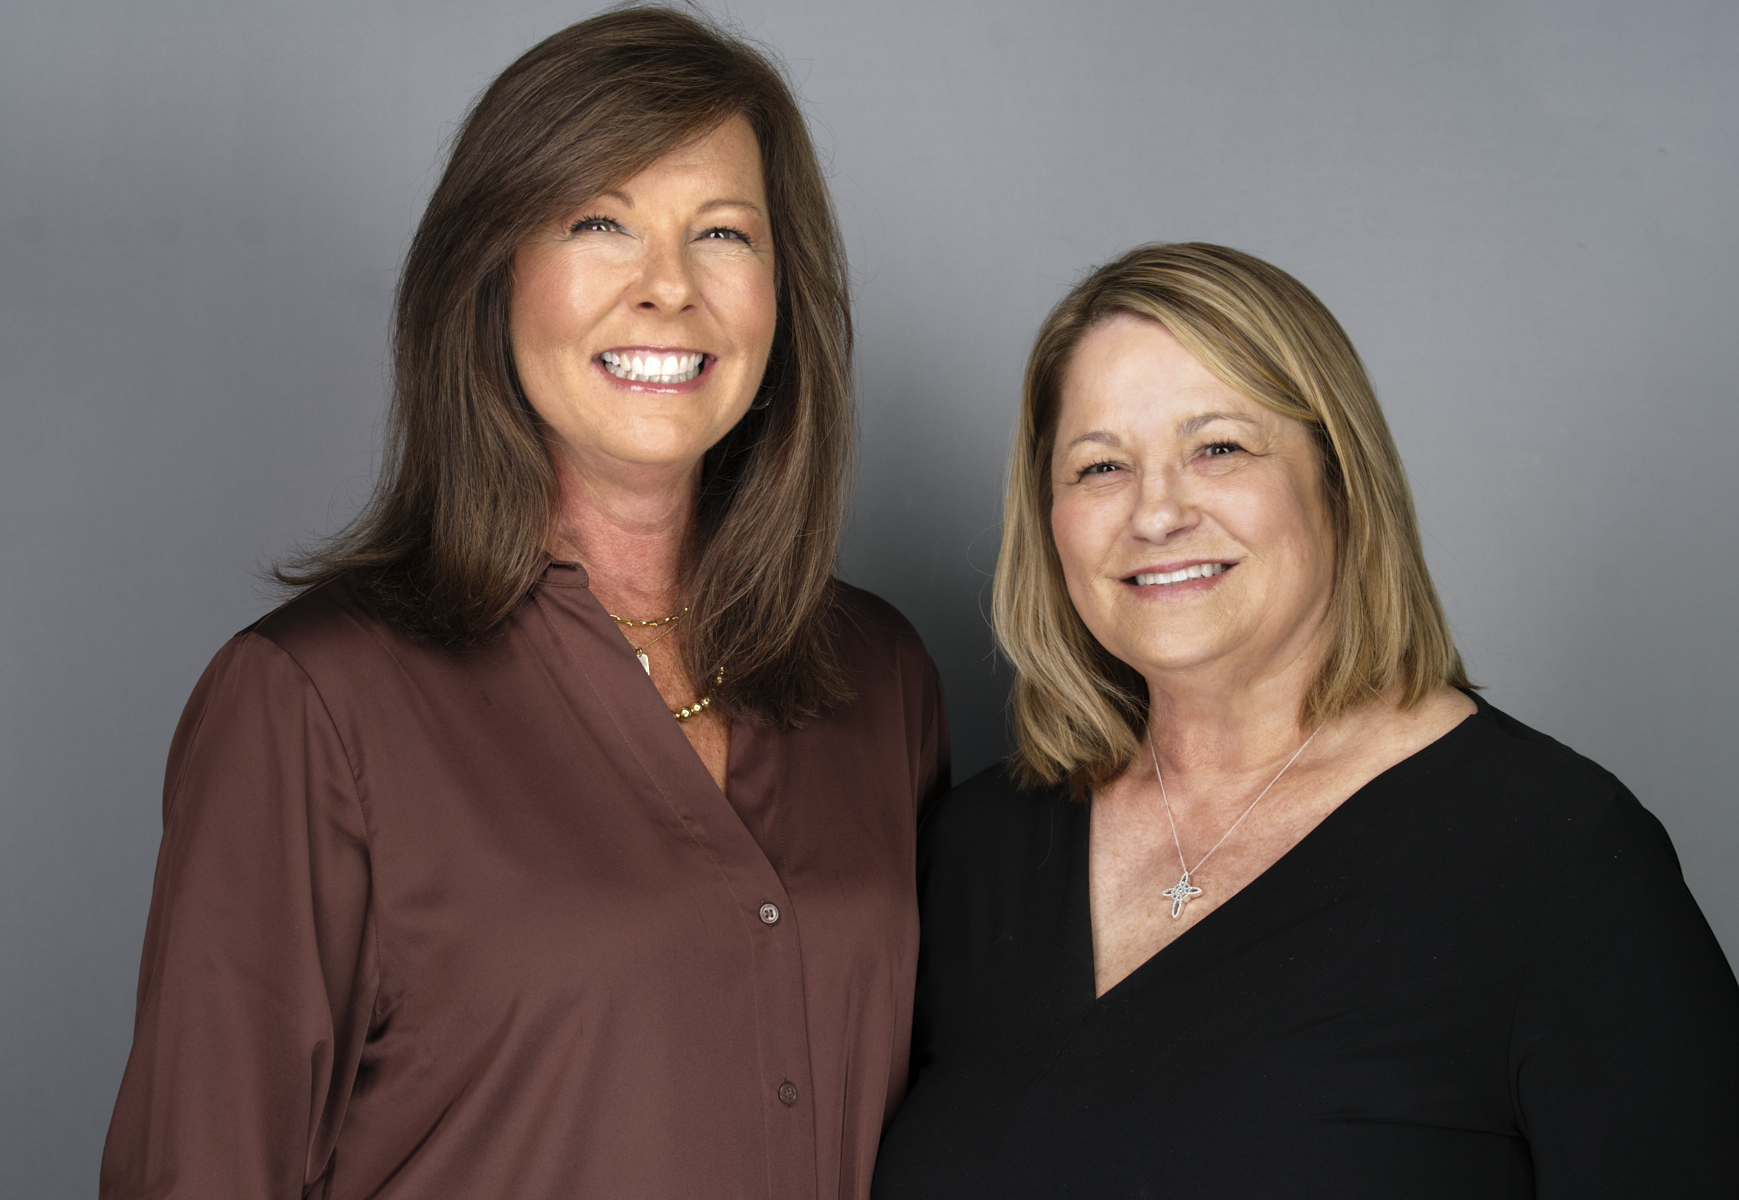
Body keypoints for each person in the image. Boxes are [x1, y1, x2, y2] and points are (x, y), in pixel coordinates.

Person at [100, 10, 948, 1198]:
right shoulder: (311, 702)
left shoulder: (881, 675)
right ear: (490, 273)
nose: (668, 289)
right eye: (599, 222)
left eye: (723, 233)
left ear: (780, 293)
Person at [871, 243, 1739, 1198]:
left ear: (1339, 481)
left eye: (1219, 448)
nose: (1156, 513)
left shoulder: (1563, 860)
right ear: (1050, 517)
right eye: (1101, 465)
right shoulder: (973, 851)